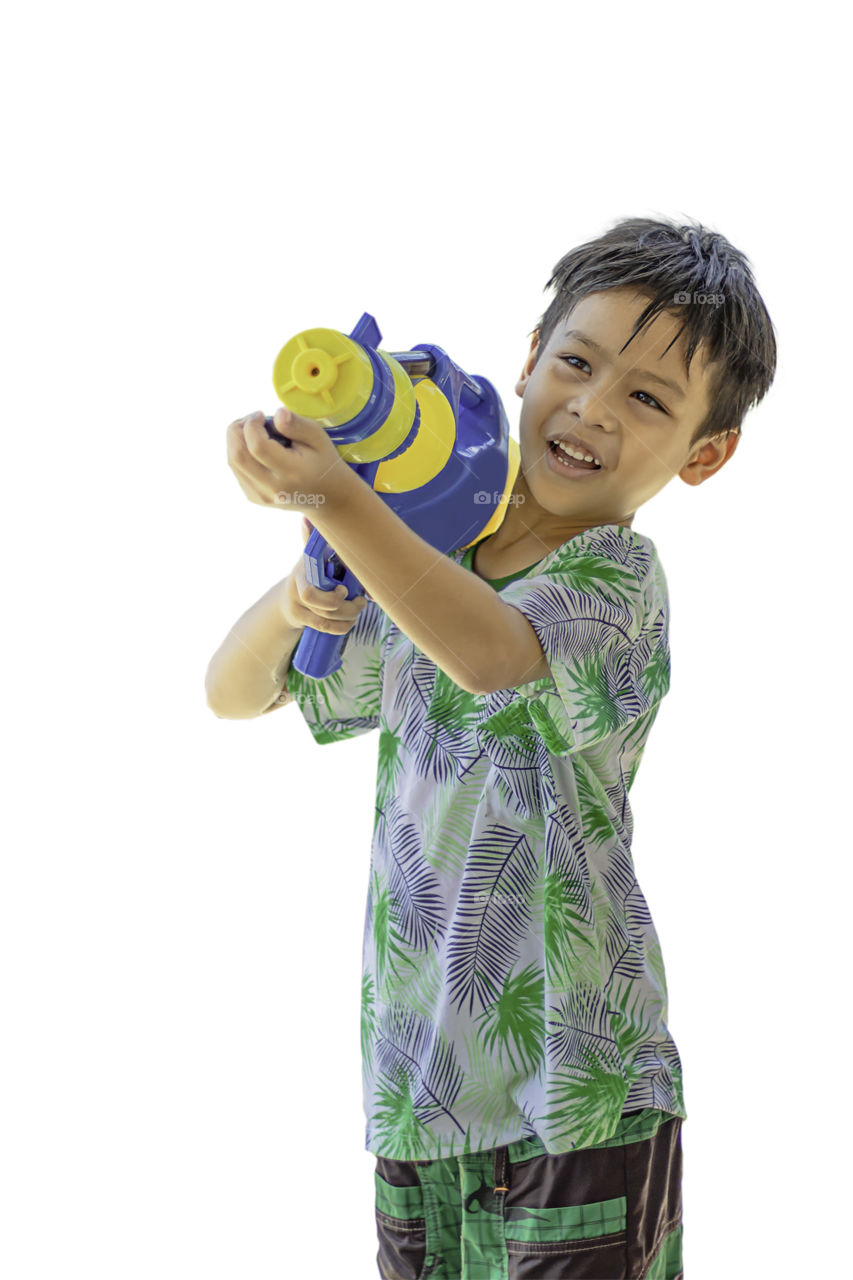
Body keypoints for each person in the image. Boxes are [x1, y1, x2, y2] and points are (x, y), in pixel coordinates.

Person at [205, 215, 777, 1279]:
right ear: (525, 359)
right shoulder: (427, 560)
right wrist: (301, 590)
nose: (591, 407)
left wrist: (343, 498)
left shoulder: (615, 580)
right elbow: (233, 692)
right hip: (421, 1085)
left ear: (705, 451)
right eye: (576, 361)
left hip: (576, 1089)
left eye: (647, 399)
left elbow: (496, 655)